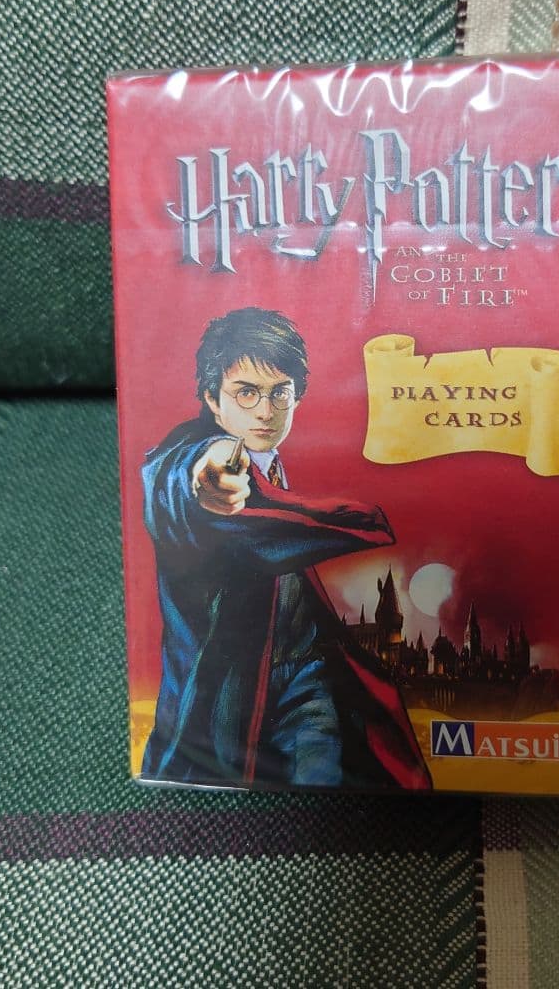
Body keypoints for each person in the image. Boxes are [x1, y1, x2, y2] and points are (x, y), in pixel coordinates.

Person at [141, 307, 431, 790]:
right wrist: (207, 478)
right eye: (246, 392)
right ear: (213, 399)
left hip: (305, 678)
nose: (265, 410)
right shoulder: (190, 458)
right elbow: (181, 480)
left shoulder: (272, 467)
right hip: (226, 694)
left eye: (280, 393)